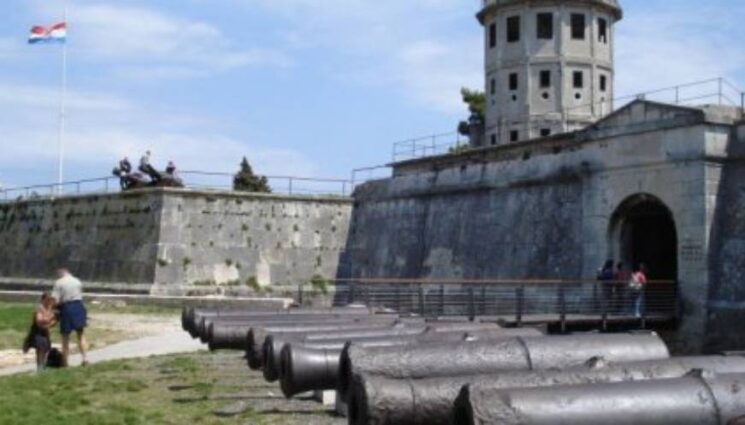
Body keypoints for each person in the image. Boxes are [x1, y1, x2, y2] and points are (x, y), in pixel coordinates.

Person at [51, 268, 89, 367]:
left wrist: (54, 310)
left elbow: (55, 300)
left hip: (67, 307)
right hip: (79, 306)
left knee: (65, 336)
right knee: (80, 334)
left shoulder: (59, 282)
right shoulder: (77, 281)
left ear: (60, 274)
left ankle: (65, 362)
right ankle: (85, 358)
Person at [22, 292, 58, 372]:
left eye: (50, 300)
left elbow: (53, 322)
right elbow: (39, 320)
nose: (49, 301)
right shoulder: (39, 308)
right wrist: (50, 318)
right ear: (43, 300)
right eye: (47, 300)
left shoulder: (49, 309)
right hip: (37, 332)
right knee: (40, 349)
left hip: (45, 332)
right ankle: (40, 367)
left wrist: (51, 321)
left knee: (45, 348)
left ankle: (43, 365)